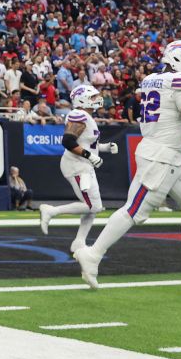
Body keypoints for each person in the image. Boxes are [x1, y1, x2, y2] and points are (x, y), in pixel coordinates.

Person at [75, 40, 181, 293]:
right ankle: (93, 254)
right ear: (178, 60)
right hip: (161, 156)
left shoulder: (153, 79)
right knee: (133, 211)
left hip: (174, 157)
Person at [39, 84, 118, 253]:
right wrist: (90, 156)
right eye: (92, 97)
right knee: (93, 206)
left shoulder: (87, 116)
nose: (97, 100)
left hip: (83, 164)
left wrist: (104, 148)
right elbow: (68, 141)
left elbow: (87, 144)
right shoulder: (78, 114)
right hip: (77, 165)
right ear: (82, 100)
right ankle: (51, 211)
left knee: (93, 206)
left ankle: (79, 242)